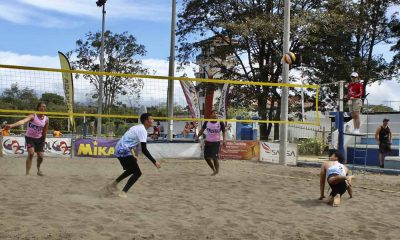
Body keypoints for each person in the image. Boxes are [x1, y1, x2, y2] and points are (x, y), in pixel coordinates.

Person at [106, 113, 161, 198]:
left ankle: (113, 184)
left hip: (119, 149)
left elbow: (128, 140)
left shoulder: (138, 127)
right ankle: (123, 193)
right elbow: (144, 149)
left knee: (131, 170)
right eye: (151, 119)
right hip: (123, 150)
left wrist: (132, 154)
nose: (153, 120)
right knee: (137, 173)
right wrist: (154, 162)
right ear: (146, 121)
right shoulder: (142, 130)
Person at [3, 102, 49, 176]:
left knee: (41, 156)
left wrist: (43, 141)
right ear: (38, 108)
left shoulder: (46, 119)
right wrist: (11, 125)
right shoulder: (33, 116)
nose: (43, 108)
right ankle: (27, 173)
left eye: (44, 107)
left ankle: (38, 169)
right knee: (31, 153)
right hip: (30, 137)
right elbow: (23, 121)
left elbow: (44, 131)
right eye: (42, 106)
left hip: (39, 138)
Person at [196, 110, 227, 176]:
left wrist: (224, 140)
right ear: (211, 115)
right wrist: (197, 136)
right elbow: (202, 130)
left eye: (216, 113)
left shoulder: (220, 122)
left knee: (214, 157)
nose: (215, 114)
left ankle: (217, 171)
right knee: (206, 157)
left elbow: (224, 132)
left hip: (216, 142)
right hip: (208, 141)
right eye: (214, 113)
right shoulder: (207, 122)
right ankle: (213, 170)